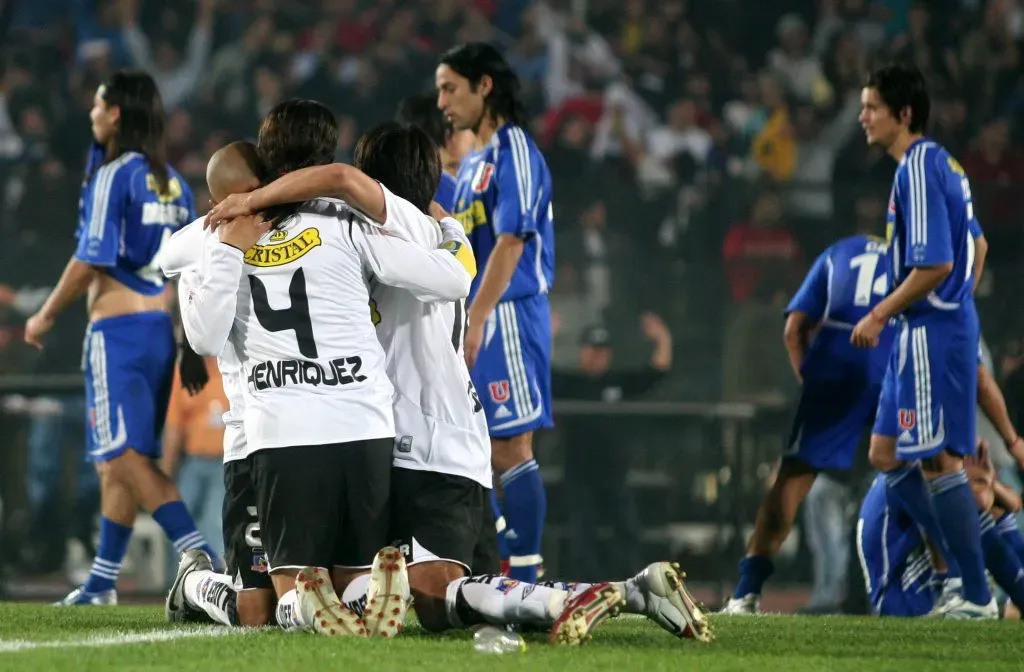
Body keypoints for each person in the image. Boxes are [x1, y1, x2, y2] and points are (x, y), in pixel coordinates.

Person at [189, 125, 712, 645]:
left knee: (431, 594)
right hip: (457, 433)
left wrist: (242, 214)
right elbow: (457, 268)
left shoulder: (378, 233)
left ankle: (581, 596)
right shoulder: (440, 236)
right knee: (446, 602)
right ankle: (632, 592)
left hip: (421, 440)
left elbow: (342, 183)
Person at [188, 99, 477, 637]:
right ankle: (364, 599)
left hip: (283, 430)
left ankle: (304, 607)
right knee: (352, 579)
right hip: (363, 426)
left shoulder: (220, 231)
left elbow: (202, 332)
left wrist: (224, 241)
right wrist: (453, 235)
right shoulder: (352, 222)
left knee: (284, 599)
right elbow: (453, 281)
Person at [23, 70, 218, 605]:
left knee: (126, 460)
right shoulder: (174, 181)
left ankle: (201, 553)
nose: (91, 110)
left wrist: (44, 315)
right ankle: (103, 581)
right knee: (118, 462)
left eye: (98, 103)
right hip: (160, 329)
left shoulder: (116, 175)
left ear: (115, 113)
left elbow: (91, 256)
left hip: (116, 333)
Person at [852, 63, 994, 618]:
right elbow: (976, 249)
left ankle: (975, 592)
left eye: (872, 107)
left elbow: (936, 262)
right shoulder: (944, 163)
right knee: (886, 454)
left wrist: (882, 313)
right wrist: (959, 302)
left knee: (939, 461)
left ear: (902, 114)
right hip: (938, 327)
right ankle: (961, 574)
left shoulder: (915, 166)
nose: (862, 117)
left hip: (927, 332)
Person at [723, 229, 892, 614]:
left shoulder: (837, 251)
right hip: (890, 362)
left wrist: (809, 381)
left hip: (835, 364)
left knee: (792, 480)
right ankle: (948, 587)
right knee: (924, 473)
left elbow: (793, 330)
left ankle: (745, 593)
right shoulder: (912, 255)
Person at [437, 42, 555, 583]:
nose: (442, 100)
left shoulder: (516, 151)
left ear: (485, 86)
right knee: (475, 453)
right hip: (478, 319)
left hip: (506, 317)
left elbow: (511, 242)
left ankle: (526, 582)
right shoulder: (473, 161)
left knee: (510, 447)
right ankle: (503, 571)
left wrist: (479, 317)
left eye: (450, 88)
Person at [160, 141, 270, 629]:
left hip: (306, 433)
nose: (255, 201)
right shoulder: (212, 241)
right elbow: (168, 256)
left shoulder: (298, 225)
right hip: (249, 437)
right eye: (244, 194)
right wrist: (220, 247)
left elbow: (167, 254)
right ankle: (194, 583)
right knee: (256, 615)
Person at [395, 93, 474, 211]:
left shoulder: (403, 188)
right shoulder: (454, 198)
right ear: (450, 136)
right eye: (467, 127)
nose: (473, 135)